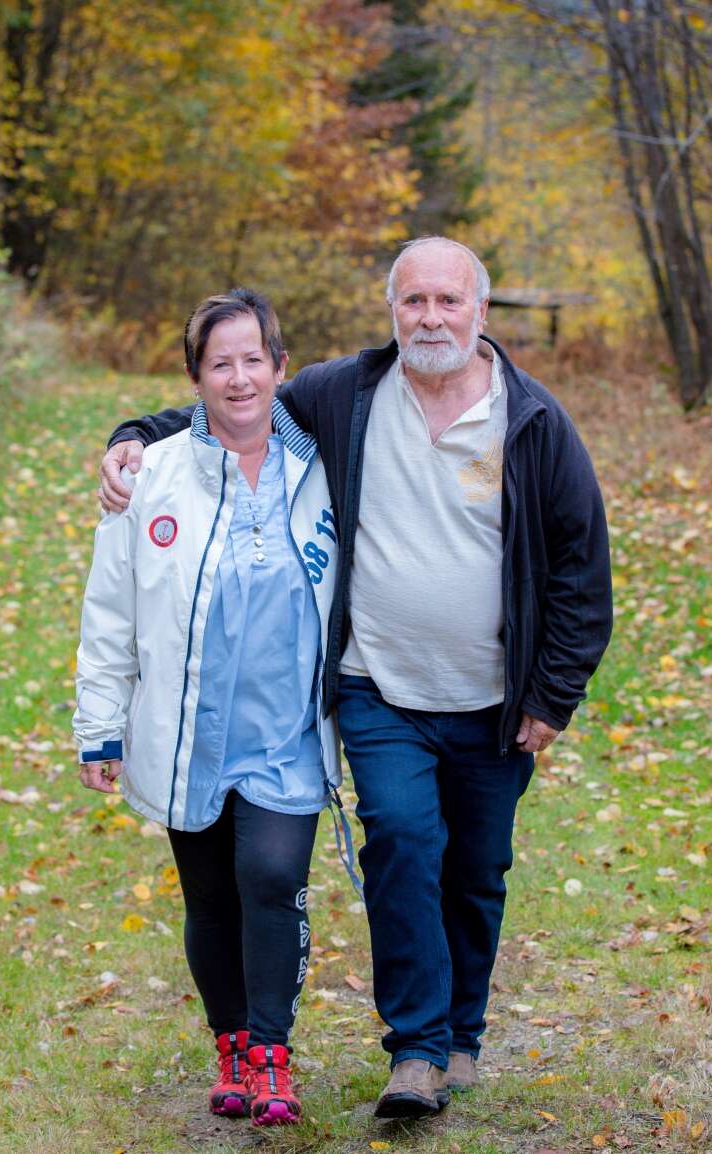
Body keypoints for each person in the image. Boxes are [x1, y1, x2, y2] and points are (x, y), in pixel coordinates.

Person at [97, 238, 613, 1119]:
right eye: (414, 301)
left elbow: (580, 566)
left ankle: (460, 1033)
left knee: (476, 871)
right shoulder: (347, 395)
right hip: (377, 686)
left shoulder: (531, 420)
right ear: (391, 311)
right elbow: (231, 407)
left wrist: (551, 694)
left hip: (492, 699)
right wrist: (131, 439)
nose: (430, 318)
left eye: (448, 301)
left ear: (480, 312)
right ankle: (415, 1051)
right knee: (402, 847)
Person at [73, 288, 344, 1127]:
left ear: (280, 367)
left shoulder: (324, 467)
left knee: (272, 878)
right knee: (211, 898)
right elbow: (109, 610)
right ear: (195, 377)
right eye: (219, 363)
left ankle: (271, 1055)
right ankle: (230, 1042)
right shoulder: (149, 477)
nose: (238, 378)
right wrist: (98, 727)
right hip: (187, 731)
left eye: (253, 360)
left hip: (286, 731)